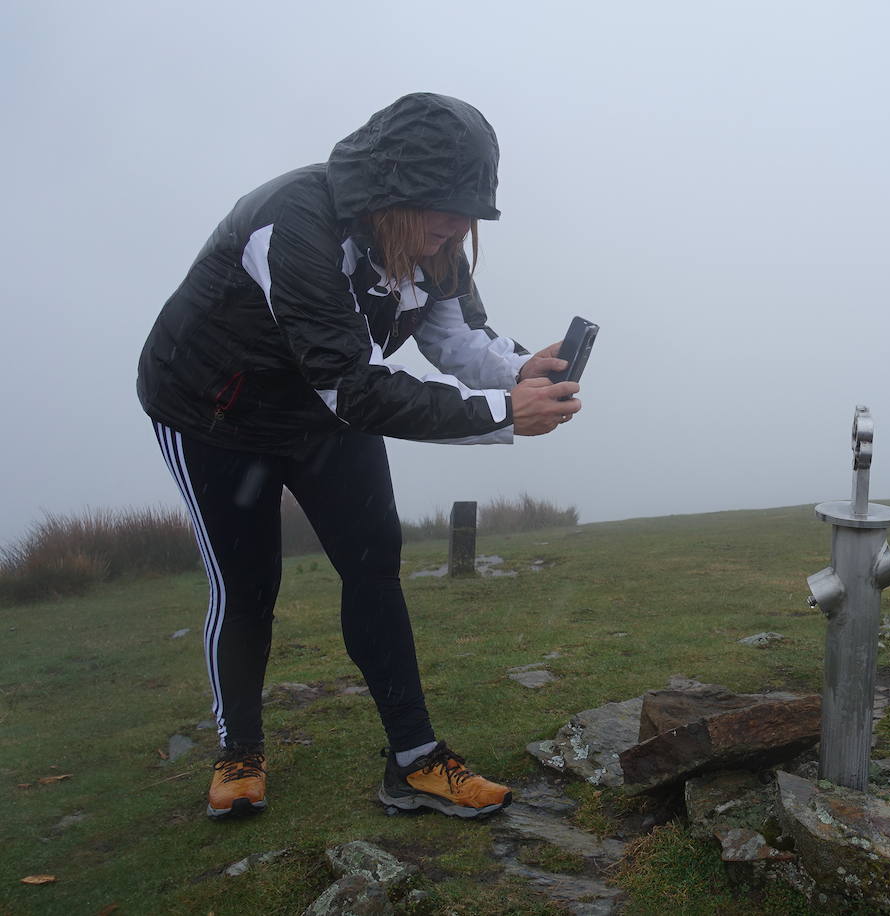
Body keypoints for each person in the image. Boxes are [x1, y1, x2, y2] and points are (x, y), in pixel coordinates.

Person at [136, 92, 579, 820]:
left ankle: (414, 760)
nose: (458, 230)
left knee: (374, 563)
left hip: (325, 411)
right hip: (216, 413)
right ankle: (240, 749)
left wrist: (519, 370)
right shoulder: (294, 224)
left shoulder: (434, 243)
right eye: (446, 210)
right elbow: (353, 386)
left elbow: (457, 336)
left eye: (470, 212)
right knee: (247, 585)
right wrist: (503, 416)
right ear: (394, 191)